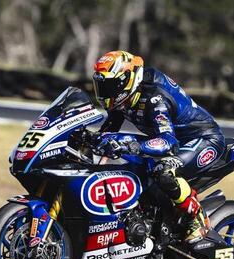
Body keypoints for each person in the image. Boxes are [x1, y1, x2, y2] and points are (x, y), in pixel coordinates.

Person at [92, 50, 225, 248]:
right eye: (101, 86)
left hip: (203, 140)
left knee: (163, 171)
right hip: (173, 142)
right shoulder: (125, 97)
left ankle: (196, 218)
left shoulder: (154, 98)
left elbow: (168, 142)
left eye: (110, 86)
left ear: (126, 80)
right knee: (123, 157)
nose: (105, 92)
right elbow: (107, 133)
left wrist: (132, 146)